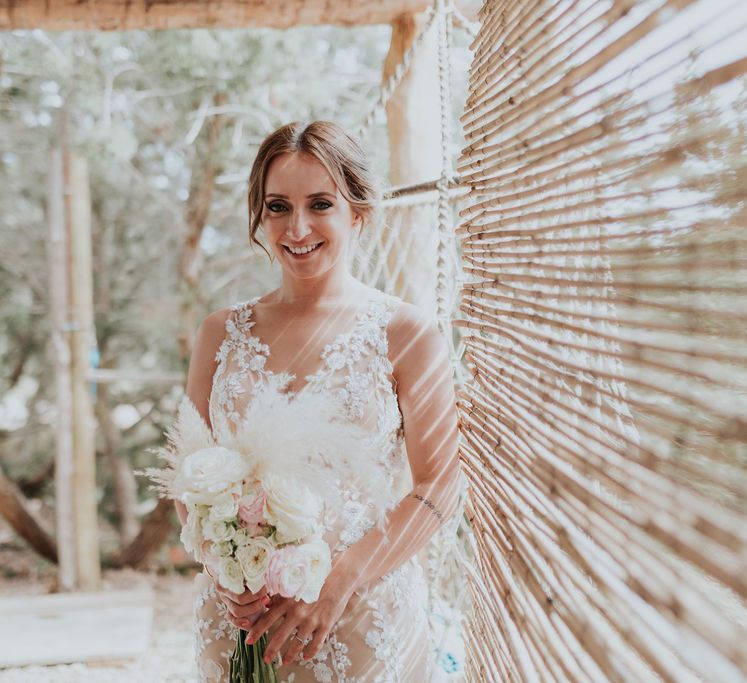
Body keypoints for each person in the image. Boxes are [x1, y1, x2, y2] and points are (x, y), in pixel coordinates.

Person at [178, 120, 462, 682]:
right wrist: (224, 569)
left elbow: (440, 485)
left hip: (360, 618)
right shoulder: (219, 334)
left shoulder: (406, 333)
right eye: (278, 206)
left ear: (358, 212)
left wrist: (336, 584)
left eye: (321, 204)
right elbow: (190, 479)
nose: (297, 227)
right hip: (241, 619)